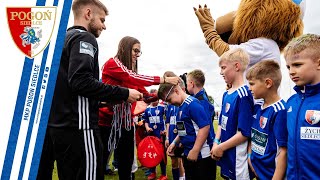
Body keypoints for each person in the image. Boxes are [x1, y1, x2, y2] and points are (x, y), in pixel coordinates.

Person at [36, 1, 143, 180]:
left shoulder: (59, 40)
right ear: (88, 14)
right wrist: (124, 93)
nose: (104, 26)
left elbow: (68, 89)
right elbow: (81, 81)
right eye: (101, 19)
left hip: (59, 129)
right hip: (81, 129)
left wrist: (102, 100)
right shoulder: (84, 38)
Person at [98, 36, 179, 180]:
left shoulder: (130, 74)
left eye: (139, 52)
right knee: (99, 163)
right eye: (135, 50)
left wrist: (162, 94)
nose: (137, 54)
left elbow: (146, 96)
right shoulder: (113, 64)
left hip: (126, 124)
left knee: (127, 164)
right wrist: (164, 79)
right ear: (125, 48)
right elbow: (133, 77)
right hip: (106, 123)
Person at [160, 71, 216, 180]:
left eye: (169, 100)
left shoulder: (193, 103)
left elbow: (205, 127)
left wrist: (195, 150)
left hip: (202, 156)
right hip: (188, 154)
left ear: (176, 91)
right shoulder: (180, 106)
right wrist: (174, 143)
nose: (170, 103)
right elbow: (182, 130)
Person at [211, 48, 253, 179]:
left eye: (223, 68)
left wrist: (221, 147)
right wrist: (216, 142)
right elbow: (222, 122)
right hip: (225, 153)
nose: (221, 72)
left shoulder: (244, 94)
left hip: (238, 160)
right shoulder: (226, 94)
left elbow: (244, 133)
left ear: (237, 66)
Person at [284, 33, 320, 179]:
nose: (291, 71)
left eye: (297, 65)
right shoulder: (291, 102)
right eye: (288, 67)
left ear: (318, 63)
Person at [246, 60, 288, 179]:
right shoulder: (258, 106)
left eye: (252, 84)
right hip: (257, 171)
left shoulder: (280, 111)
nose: (249, 88)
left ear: (268, 83)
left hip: (270, 175)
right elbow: (253, 135)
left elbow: (283, 151)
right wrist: (250, 157)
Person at [143, 89, 167, 180]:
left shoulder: (162, 107)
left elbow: (167, 120)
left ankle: (164, 174)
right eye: (153, 99)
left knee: (161, 155)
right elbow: (146, 121)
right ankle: (152, 172)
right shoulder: (147, 109)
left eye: (157, 99)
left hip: (161, 135)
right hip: (151, 136)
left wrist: (165, 130)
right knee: (152, 154)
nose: (155, 101)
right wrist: (147, 128)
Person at [164, 77, 186, 180]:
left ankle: (182, 177)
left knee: (181, 159)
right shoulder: (170, 105)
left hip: (181, 136)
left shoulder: (183, 103)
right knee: (173, 161)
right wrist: (167, 138)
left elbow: (182, 123)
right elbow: (168, 122)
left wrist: (182, 138)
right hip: (173, 135)